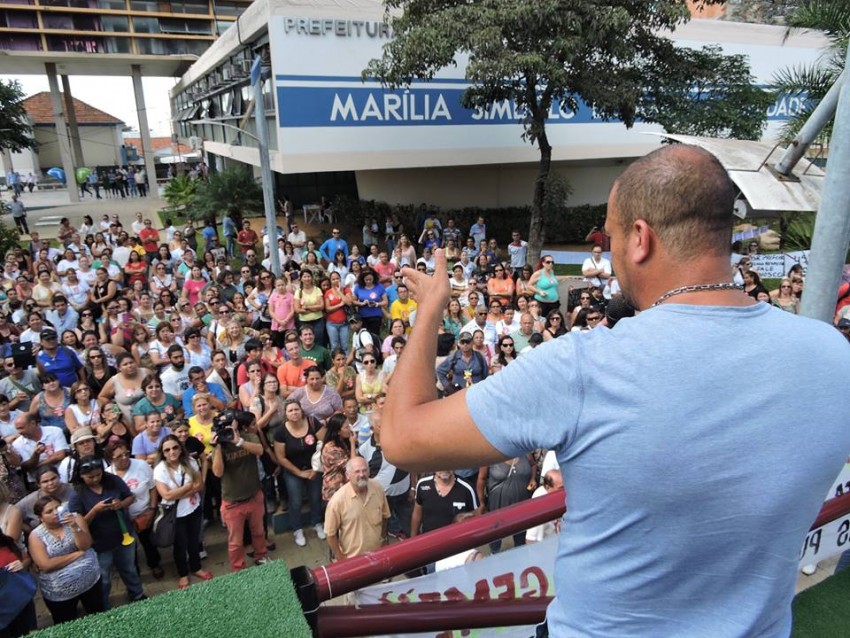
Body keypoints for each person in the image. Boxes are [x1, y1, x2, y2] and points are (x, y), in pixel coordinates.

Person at [382, 144, 850, 637]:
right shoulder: (831, 354)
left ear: (640, 238)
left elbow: (401, 438)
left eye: (610, 233)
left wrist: (431, 307)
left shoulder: (584, 366)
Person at [68, 455, 146, 608]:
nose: (96, 479)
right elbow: (78, 523)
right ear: (81, 475)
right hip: (99, 544)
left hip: (123, 536)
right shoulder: (77, 494)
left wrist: (121, 504)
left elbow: (130, 497)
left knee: (129, 568)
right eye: (91, 477)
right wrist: (95, 510)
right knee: (103, 578)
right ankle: (103, 605)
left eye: (98, 474)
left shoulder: (112, 479)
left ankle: (137, 594)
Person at [28, 495, 104, 625]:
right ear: (40, 518)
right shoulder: (36, 536)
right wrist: (77, 555)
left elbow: (85, 545)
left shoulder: (75, 518)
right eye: (49, 511)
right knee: (66, 623)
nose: (55, 513)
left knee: (98, 616)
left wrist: (75, 527)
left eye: (57, 508)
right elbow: (45, 564)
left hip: (90, 581)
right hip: (59, 592)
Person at [210, 409, 269, 571]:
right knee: (236, 541)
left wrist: (238, 441)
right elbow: (217, 472)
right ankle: (238, 568)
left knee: (258, 532)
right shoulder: (220, 446)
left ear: (236, 423)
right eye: (224, 425)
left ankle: (261, 556)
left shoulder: (249, 436)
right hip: (232, 502)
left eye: (230, 423)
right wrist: (217, 448)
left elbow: (259, 451)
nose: (228, 427)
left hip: (254, 495)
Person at [153, 435, 209, 590]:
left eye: (175, 447)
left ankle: (196, 567)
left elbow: (199, 485)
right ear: (163, 453)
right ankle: (183, 574)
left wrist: (180, 492)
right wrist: (187, 488)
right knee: (180, 545)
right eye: (167, 449)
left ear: (180, 448)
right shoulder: (160, 470)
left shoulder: (190, 462)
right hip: (175, 514)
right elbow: (166, 495)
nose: (172, 452)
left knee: (194, 540)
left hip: (193, 509)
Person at [272, 400, 326, 547]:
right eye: (290, 410)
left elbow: (325, 443)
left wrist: (316, 468)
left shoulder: (312, 422)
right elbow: (281, 457)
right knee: (295, 501)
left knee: (315, 497)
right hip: (293, 471)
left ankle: (317, 523)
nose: (294, 413)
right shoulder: (281, 431)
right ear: (285, 414)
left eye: (296, 409)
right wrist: (299, 473)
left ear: (301, 410)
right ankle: (297, 529)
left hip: (314, 468)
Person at [324, 456, 390, 562]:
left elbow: (385, 516)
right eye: (357, 471)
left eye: (364, 470)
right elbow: (330, 534)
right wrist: (340, 557)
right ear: (348, 475)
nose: (362, 475)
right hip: (353, 559)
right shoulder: (337, 501)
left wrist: (384, 539)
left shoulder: (378, 488)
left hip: (377, 554)